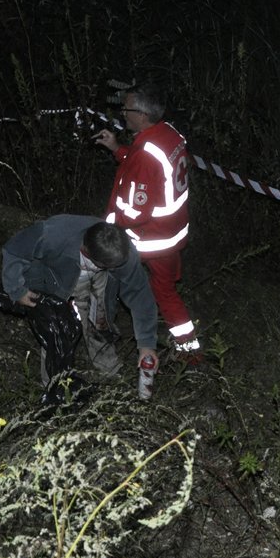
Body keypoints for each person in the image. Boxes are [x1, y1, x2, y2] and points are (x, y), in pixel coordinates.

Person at [93, 85, 201, 361]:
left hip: (147, 238)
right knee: (165, 290)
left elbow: (136, 210)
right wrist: (117, 148)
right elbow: (149, 169)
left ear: (141, 115)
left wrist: (109, 229)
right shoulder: (169, 135)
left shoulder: (146, 152)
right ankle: (191, 353)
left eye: (126, 109)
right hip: (171, 233)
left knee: (101, 272)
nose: (122, 114)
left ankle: (100, 332)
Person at [0, 215, 159, 384]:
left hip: (96, 280)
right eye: (109, 266)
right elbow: (15, 250)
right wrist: (17, 289)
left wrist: (147, 344)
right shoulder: (55, 234)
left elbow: (140, 296)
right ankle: (55, 383)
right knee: (56, 328)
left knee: (100, 319)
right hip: (53, 277)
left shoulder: (124, 253)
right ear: (85, 251)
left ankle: (107, 368)